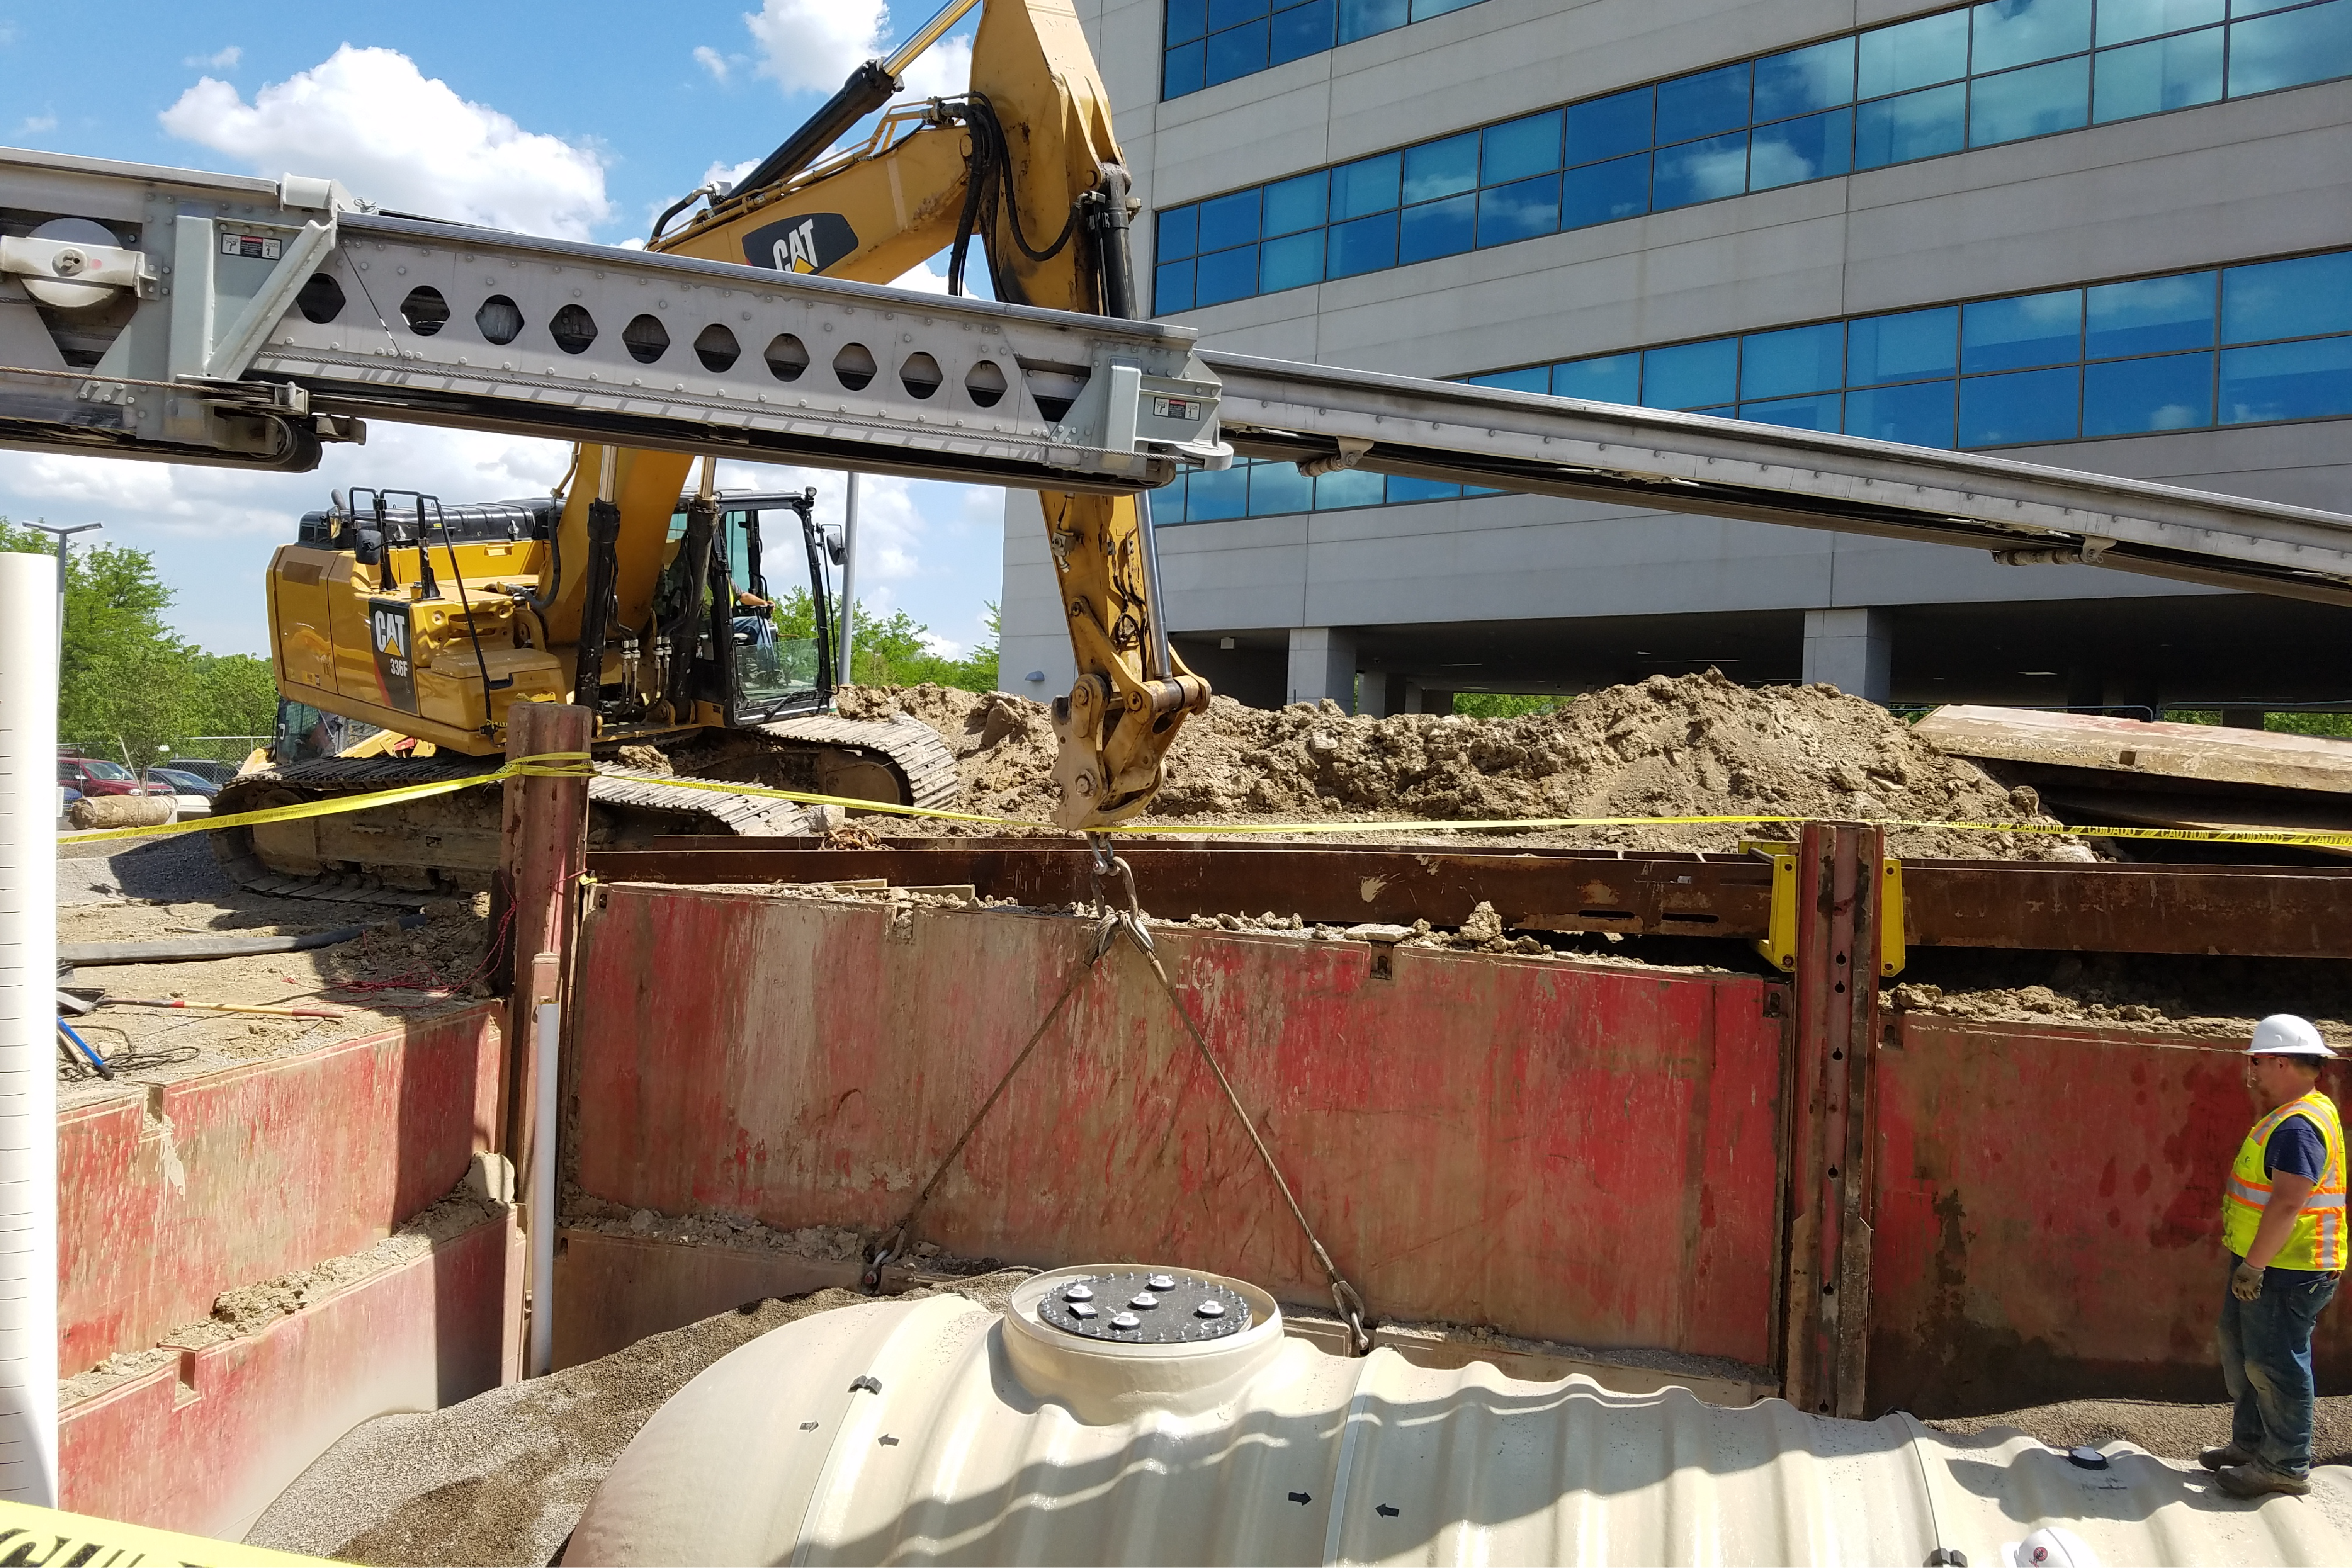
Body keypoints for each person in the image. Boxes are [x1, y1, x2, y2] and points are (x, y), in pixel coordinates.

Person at [2203, 1014, 2344, 1497]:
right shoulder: (2296, 1112)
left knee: (2273, 1363)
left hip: (2287, 1269)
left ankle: (2283, 1464)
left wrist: (2253, 1266)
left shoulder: (2297, 1126)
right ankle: (2251, 1445)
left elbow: (2288, 1202)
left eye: (2257, 1061)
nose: (2252, 1070)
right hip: (2267, 1263)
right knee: (2242, 1351)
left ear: (2281, 1062)